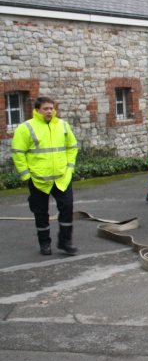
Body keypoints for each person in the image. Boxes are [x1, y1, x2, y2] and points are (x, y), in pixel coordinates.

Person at [11, 95, 79, 256]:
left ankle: (65, 241)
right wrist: (26, 176)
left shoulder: (62, 125)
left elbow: (72, 147)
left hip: (62, 177)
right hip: (38, 179)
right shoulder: (26, 128)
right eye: (46, 109)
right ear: (37, 111)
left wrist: (70, 168)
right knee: (41, 213)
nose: (49, 111)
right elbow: (18, 153)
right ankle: (45, 243)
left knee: (67, 208)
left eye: (51, 108)